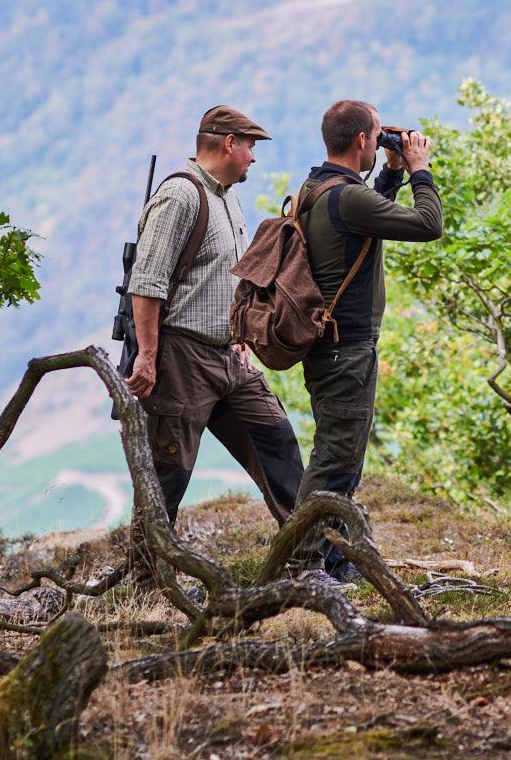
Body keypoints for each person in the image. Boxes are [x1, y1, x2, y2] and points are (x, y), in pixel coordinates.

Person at [125, 105, 305, 526]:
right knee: (167, 476)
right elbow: (146, 283)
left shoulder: (228, 199)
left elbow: (229, 280)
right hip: (182, 360)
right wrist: (148, 357)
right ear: (228, 144)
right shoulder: (179, 196)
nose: (253, 157)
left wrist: (240, 337)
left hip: (229, 357)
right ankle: (148, 580)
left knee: (278, 443)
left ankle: (313, 558)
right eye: (250, 146)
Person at [289, 100, 445, 577]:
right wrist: (420, 171)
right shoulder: (346, 196)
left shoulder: (320, 188)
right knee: (335, 460)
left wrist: (391, 173)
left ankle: (334, 557)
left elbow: (368, 218)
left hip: (330, 347)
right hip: (345, 350)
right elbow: (428, 225)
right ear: (361, 141)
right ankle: (303, 561)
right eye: (378, 135)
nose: (381, 143)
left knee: (344, 458)